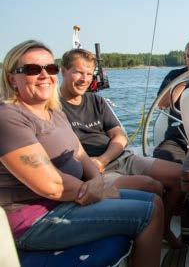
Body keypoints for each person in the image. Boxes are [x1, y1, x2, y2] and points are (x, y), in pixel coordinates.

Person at [0, 40, 163, 267]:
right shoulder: (9, 117)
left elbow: (80, 154)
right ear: (11, 78)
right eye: (32, 69)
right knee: (149, 213)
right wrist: (94, 190)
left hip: (70, 200)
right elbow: (51, 185)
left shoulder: (52, 110)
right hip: (35, 219)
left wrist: (98, 183)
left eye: (50, 68)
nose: (44, 75)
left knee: (155, 199)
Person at [59, 48, 183, 248]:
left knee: (180, 175)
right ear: (63, 71)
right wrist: (97, 165)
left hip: (118, 157)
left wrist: (104, 159)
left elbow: (119, 136)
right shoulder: (54, 108)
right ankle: (146, 234)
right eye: (78, 72)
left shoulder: (96, 100)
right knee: (153, 187)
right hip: (92, 170)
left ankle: (164, 229)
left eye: (89, 74)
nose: (84, 79)